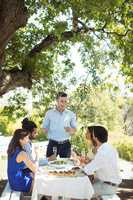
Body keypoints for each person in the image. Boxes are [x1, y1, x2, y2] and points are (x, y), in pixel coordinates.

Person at [82, 125, 122, 197]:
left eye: (92, 134)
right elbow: (100, 164)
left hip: (106, 187)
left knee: (79, 193)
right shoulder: (108, 148)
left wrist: (76, 168)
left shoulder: (103, 153)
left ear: (95, 137)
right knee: (82, 187)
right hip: (106, 183)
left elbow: (87, 170)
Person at [42, 92, 77, 158]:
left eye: (65, 101)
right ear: (57, 101)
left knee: (66, 166)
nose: (63, 103)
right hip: (53, 144)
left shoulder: (71, 114)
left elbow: (75, 129)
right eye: (61, 101)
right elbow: (44, 127)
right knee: (50, 166)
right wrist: (45, 130)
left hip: (66, 144)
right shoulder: (49, 113)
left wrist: (71, 130)